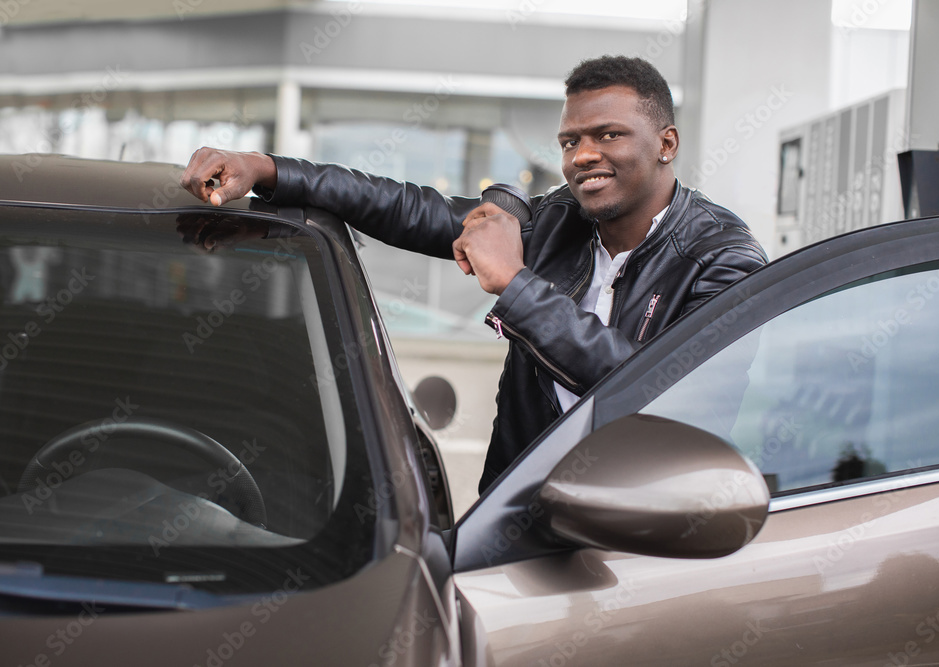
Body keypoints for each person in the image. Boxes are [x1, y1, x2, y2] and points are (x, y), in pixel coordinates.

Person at [181, 55, 768, 494]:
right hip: (517, 510)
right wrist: (266, 169)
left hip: (646, 527)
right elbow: (408, 207)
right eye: (570, 140)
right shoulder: (556, 220)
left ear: (666, 143)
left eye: (608, 134)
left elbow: (663, 393)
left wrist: (516, 285)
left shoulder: (725, 259)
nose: (583, 154)